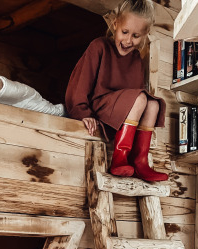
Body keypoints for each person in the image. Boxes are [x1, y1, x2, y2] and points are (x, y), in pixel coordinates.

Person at [65, 0, 168, 182]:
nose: (128, 40)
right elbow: (80, 83)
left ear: (145, 35)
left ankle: (140, 162)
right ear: (115, 25)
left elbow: (137, 100)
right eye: (125, 32)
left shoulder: (136, 59)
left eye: (136, 36)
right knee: (141, 99)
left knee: (152, 104)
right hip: (100, 107)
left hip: (123, 113)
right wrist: (83, 112)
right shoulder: (99, 46)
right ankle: (119, 158)